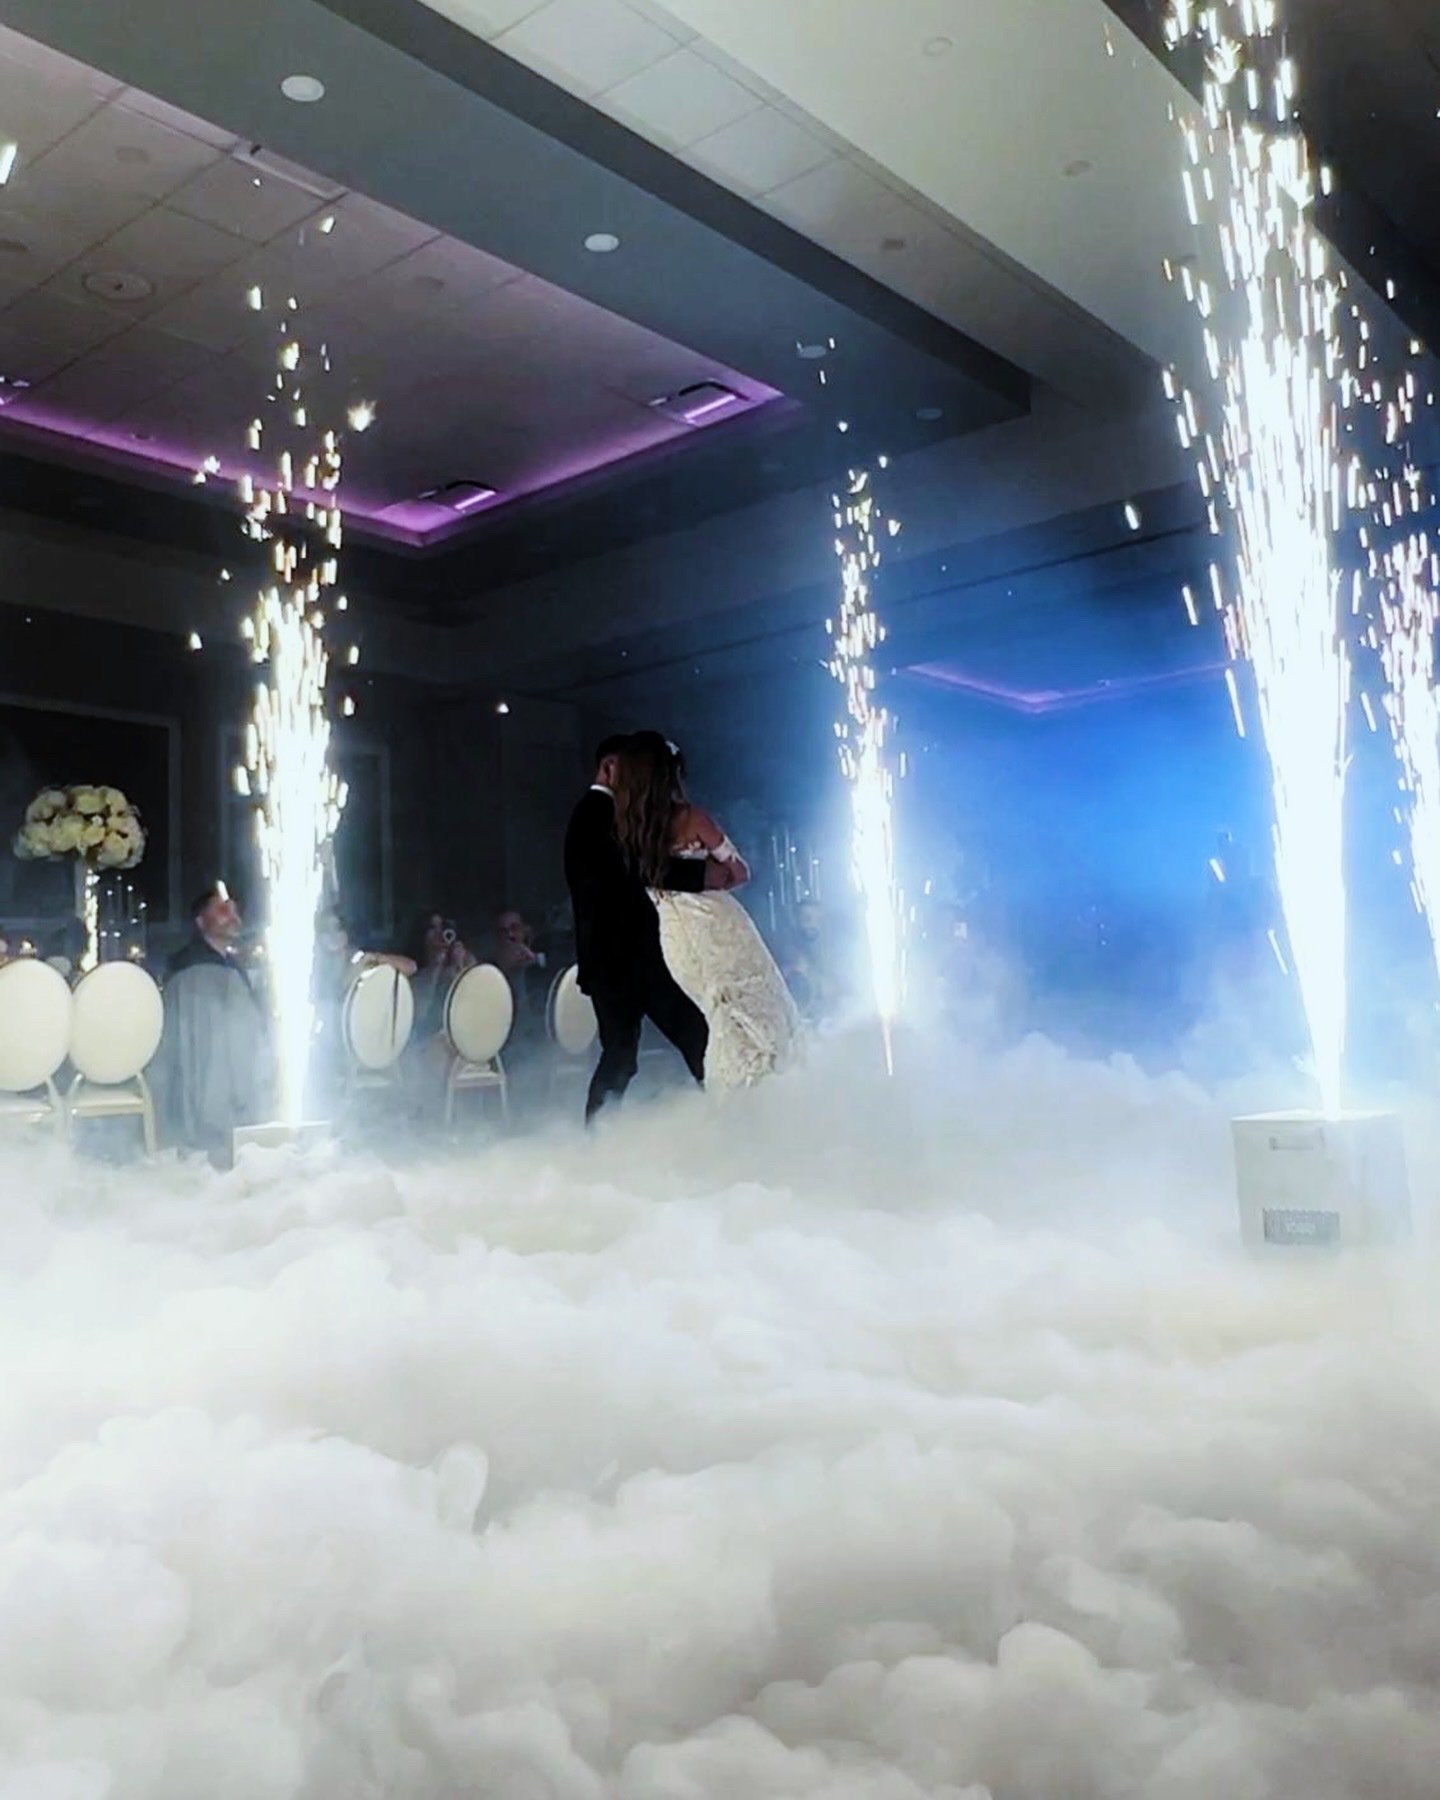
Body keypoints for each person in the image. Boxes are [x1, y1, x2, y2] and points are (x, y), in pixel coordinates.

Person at [613, 733, 799, 1090]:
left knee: (718, 1013)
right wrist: (713, 875)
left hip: (676, 938)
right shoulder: (692, 818)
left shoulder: (627, 833)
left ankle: (730, 1096)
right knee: (756, 1006)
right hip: (716, 925)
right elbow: (740, 872)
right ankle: (768, 1091)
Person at [564, 735, 723, 1120]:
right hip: (624, 957)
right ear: (610, 767)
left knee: (631, 1052)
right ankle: (598, 1135)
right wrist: (700, 875)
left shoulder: (604, 812)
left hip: (621, 957)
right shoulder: (595, 812)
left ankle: (598, 1134)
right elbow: (629, 869)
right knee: (684, 1037)